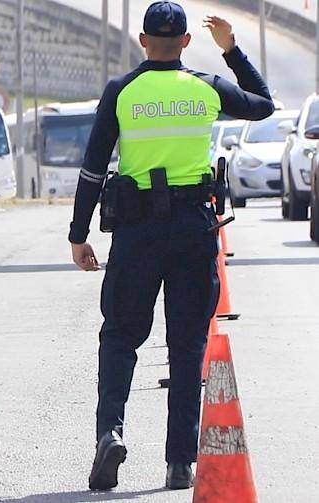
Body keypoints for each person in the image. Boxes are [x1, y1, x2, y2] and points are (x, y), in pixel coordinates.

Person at [69, 2, 274, 492]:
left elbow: (93, 168)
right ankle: (180, 462)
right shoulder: (205, 87)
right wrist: (231, 50)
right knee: (187, 345)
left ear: (143, 41)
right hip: (193, 229)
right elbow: (263, 104)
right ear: (186, 42)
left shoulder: (122, 91)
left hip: (136, 233)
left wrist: (79, 234)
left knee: (120, 337)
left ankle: (110, 433)